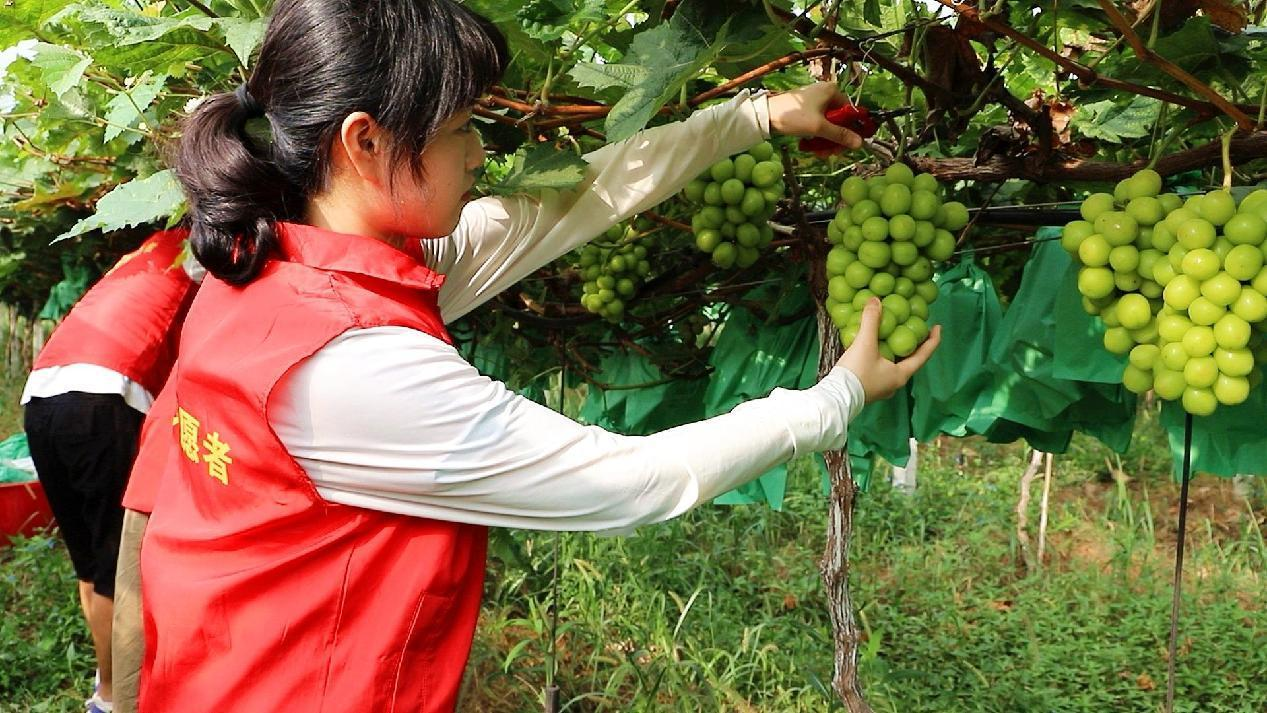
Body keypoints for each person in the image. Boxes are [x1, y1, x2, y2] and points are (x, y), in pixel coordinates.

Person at [136, 1, 941, 710]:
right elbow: (634, 484)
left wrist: (755, 117)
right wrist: (834, 399)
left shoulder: (262, 275)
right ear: (365, 140)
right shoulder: (351, 366)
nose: (480, 152)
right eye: (459, 130)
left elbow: (568, 202)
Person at [20, 227, 199, 713]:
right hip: (103, 393)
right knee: (116, 565)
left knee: (89, 558)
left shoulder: (148, 251)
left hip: (42, 392)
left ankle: (107, 683)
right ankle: (114, 697)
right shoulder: (209, 242)